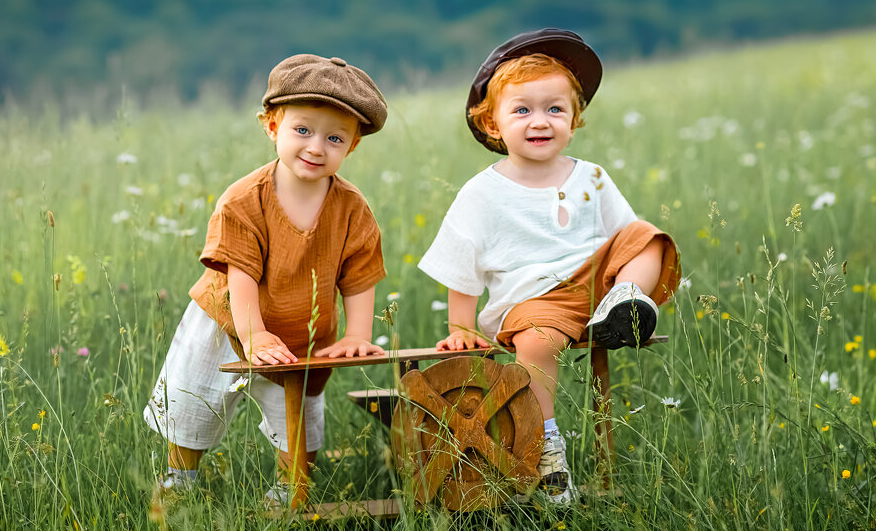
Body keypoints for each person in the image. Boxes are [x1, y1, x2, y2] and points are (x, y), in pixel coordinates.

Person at [418, 28, 680, 504]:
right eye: (522, 110)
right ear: (492, 124)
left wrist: (620, 275)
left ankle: (626, 300)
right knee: (537, 345)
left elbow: (626, 235)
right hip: (532, 300)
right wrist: (460, 326)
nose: (540, 120)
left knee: (648, 237)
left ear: (574, 120)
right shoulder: (483, 192)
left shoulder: (592, 177)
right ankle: (547, 447)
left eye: (554, 109)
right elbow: (462, 260)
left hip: (594, 286)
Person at [144, 54, 388, 501]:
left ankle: (289, 485)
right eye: (302, 130)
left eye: (334, 138)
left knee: (298, 416)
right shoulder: (245, 200)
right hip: (227, 320)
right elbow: (240, 274)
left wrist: (357, 332)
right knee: (193, 396)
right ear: (271, 125)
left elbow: (359, 275)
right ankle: (181, 478)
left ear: (351, 146)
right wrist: (253, 333)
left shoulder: (352, 208)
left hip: (302, 325)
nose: (316, 147)